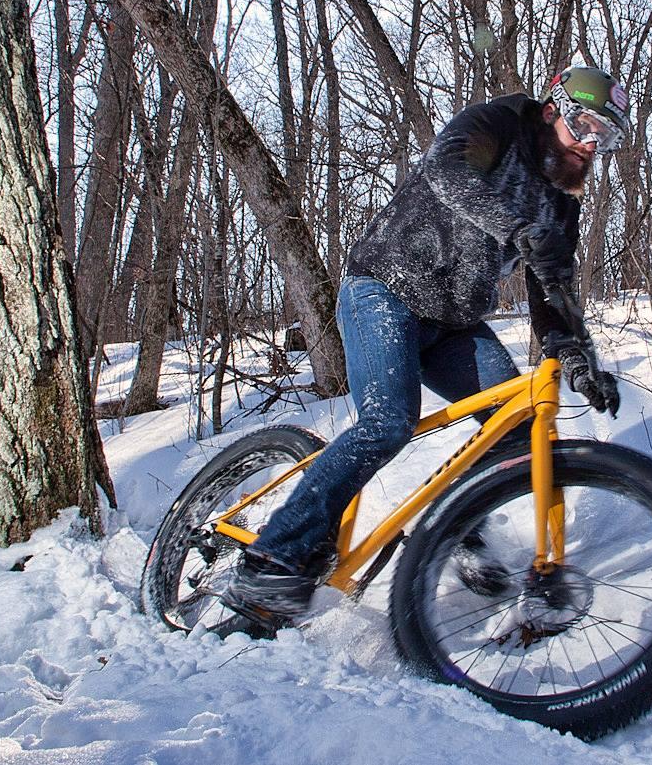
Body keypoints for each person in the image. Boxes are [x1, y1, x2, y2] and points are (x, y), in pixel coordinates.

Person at [222, 65, 631, 629]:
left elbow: (551, 287)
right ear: (551, 110)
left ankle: (455, 527)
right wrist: (517, 229)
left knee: (514, 427)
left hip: (453, 323)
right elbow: (445, 170)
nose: (588, 145)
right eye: (584, 127)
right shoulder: (500, 124)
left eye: (603, 139)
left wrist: (578, 356)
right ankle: (272, 559)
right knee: (388, 421)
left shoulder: (561, 200)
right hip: (383, 288)